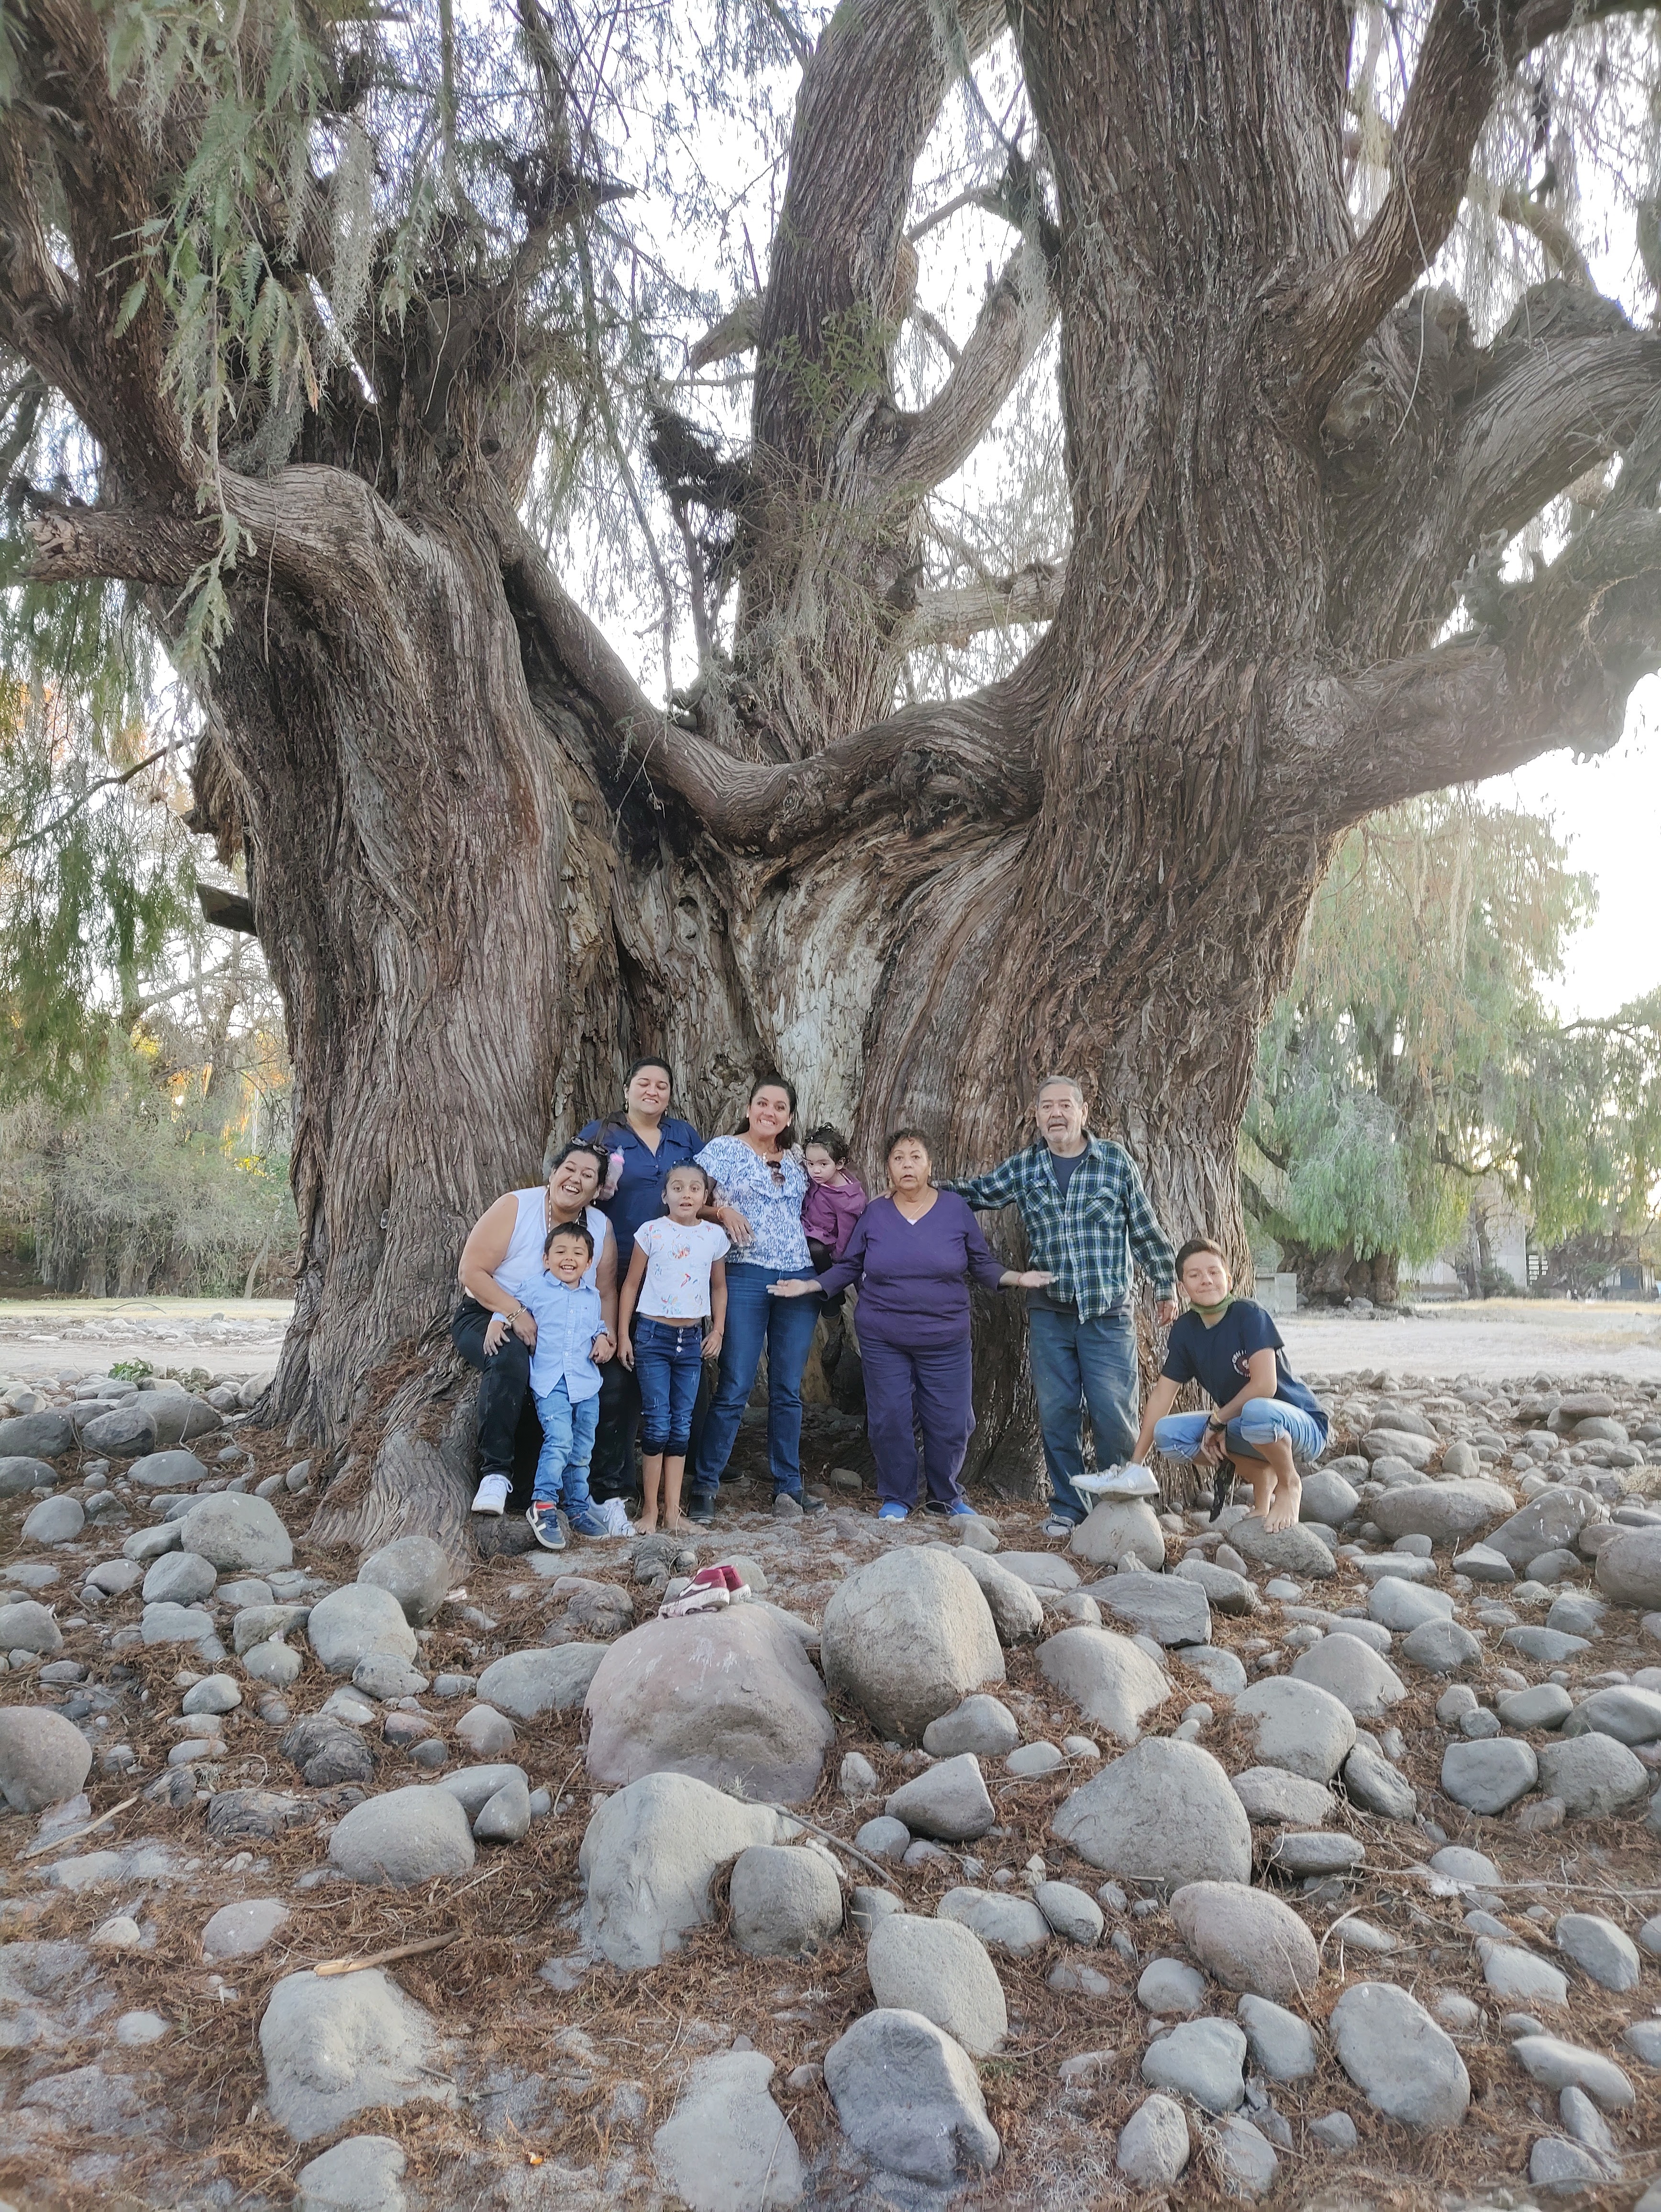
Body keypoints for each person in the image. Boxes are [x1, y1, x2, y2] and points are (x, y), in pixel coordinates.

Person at [774, 1128, 1051, 1519]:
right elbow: (851, 1265)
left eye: (915, 1157)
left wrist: (1018, 1278)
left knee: (954, 1421)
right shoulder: (876, 1212)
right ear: (888, 1167)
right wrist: (811, 1284)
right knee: (890, 1419)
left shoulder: (955, 1209)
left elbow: (982, 1263)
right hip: (884, 1336)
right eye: (899, 1158)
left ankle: (946, 1495)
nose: (907, 1165)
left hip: (946, 1336)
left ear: (929, 1165)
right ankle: (898, 1496)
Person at [948, 1074, 1177, 1539]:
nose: (1056, 1113)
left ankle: (1119, 1505)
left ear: (1082, 1113)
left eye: (1064, 1105)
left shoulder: (1113, 1162)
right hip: (1050, 1314)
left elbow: (1145, 1230)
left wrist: (1166, 1286)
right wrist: (915, 1185)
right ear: (1037, 1117)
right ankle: (1069, 1507)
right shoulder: (1026, 1167)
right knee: (1057, 1413)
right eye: (1047, 1106)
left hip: (1106, 1312)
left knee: (1113, 1411)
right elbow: (975, 1193)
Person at [687, 1073, 826, 1524]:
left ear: (789, 1117)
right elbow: (684, 1200)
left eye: (780, 1107)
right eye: (762, 1104)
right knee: (736, 1383)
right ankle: (705, 1484)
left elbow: (835, 1201)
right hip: (745, 1274)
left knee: (788, 1389)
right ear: (749, 1108)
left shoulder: (802, 1160)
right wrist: (720, 1209)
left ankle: (789, 1484)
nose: (770, 1112)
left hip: (798, 1280)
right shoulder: (723, 1150)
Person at [453, 1139, 618, 1515]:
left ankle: (605, 1492)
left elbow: (606, 1292)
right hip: (490, 1313)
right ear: (553, 1173)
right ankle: (495, 1473)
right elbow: (472, 1271)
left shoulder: (599, 1227)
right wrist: (513, 1312)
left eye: (587, 1176)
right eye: (569, 1170)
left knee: (615, 1378)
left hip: (569, 1329)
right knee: (511, 1359)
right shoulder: (517, 1206)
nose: (575, 1179)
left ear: (596, 1191)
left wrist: (607, 1335)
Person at [579, 1060, 714, 1506]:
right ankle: (612, 1484)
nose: (652, 1091)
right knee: (620, 1373)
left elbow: (701, 1190)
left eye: (662, 1085)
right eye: (644, 1083)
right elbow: (573, 1180)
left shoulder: (684, 1137)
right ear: (626, 1088)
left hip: (675, 1280)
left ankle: (688, 1479)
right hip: (617, 1266)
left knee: (684, 1377)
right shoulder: (602, 1133)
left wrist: (722, 1212)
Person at [1131, 1237, 1329, 1531]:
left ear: (1229, 1279)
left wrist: (1218, 1419)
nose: (1206, 1281)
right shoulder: (1186, 1331)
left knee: (1257, 1410)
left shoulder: (1249, 1315)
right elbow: (1162, 1396)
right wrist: (1136, 1465)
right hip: (1249, 1425)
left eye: (1214, 1272)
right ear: (1183, 1287)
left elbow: (1265, 1386)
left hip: (1301, 1426)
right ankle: (1263, 1479)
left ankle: (1289, 1484)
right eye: (1194, 1275)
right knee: (1169, 1434)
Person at [617, 1162, 729, 1533]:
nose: (686, 1195)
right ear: (664, 1196)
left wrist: (718, 1330)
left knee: (681, 1426)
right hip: (653, 1336)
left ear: (704, 1197)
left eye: (695, 1188)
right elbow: (631, 1284)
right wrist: (623, 1334)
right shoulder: (652, 1232)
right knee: (658, 1423)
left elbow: (718, 1288)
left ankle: (673, 1513)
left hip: (692, 1340)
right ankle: (650, 1511)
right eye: (677, 1188)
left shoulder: (713, 1236)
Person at [488, 1220, 611, 1549]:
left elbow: (596, 1324)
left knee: (583, 1449)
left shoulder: (592, 1295)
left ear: (588, 1263)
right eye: (560, 1252)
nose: (568, 1258)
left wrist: (603, 1338)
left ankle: (577, 1509)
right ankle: (543, 1504)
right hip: (551, 1380)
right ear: (546, 1259)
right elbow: (509, 1307)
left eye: (577, 1253)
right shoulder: (534, 1287)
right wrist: (497, 1324)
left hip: (586, 1384)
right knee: (559, 1439)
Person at [801, 1124, 867, 1272]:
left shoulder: (848, 1200)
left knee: (816, 1250)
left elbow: (846, 1236)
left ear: (840, 1164)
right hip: (804, 1225)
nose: (815, 1170)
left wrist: (838, 1261)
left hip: (824, 1240)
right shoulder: (818, 1177)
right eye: (810, 1163)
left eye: (823, 1164)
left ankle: (829, 1290)